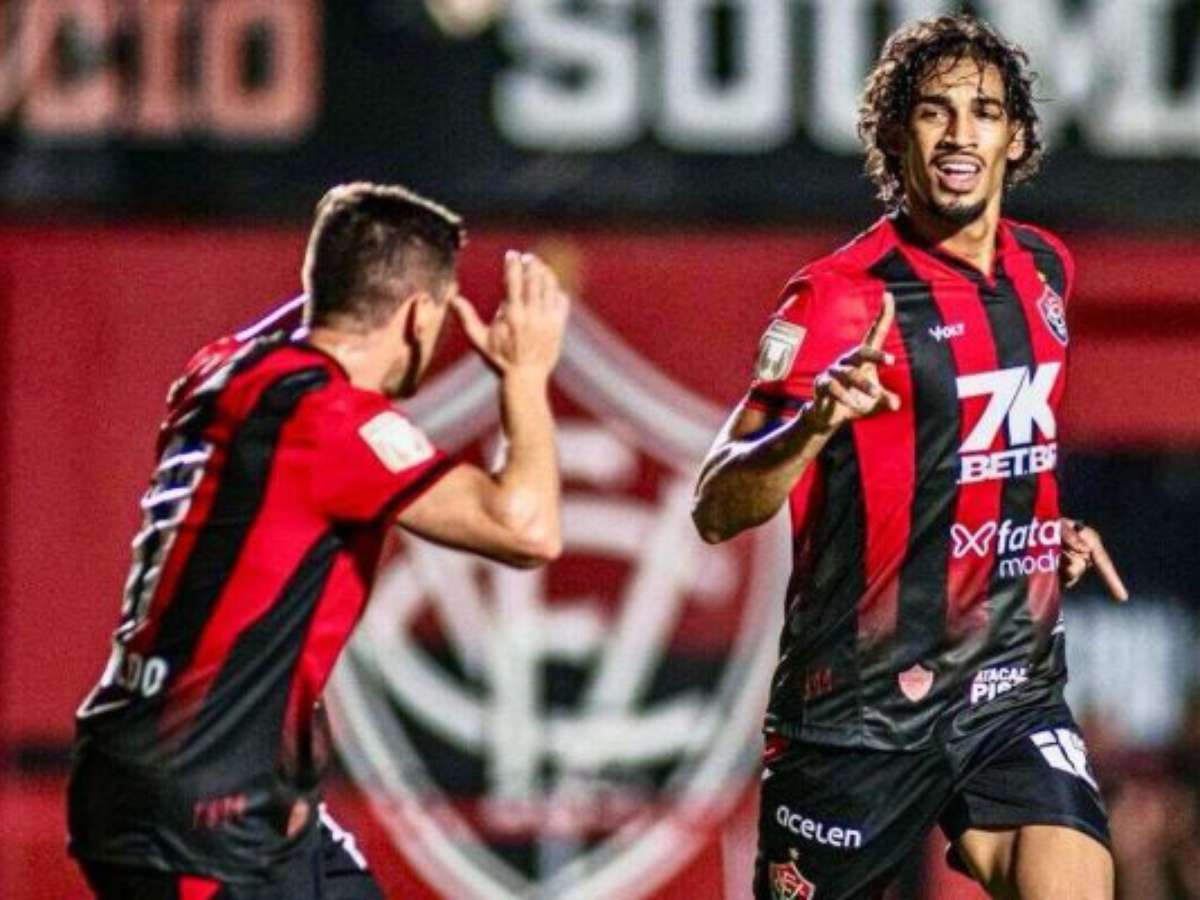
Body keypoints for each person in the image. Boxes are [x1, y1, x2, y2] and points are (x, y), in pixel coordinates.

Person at [692, 15, 1129, 900]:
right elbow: (715, 507)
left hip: (1009, 687)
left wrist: (1039, 528)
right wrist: (812, 426)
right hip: (859, 715)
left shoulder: (1045, 269)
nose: (961, 134)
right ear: (897, 136)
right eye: (935, 112)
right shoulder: (839, 298)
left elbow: (987, 448)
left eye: (985, 112)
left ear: (1016, 137)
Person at [68, 182, 570, 898]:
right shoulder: (333, 422)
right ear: (418, 315)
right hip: (200, 810)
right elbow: (529, 531)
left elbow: (317, 314)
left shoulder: (219, 367)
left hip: (211, 789)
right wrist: (525, 375)